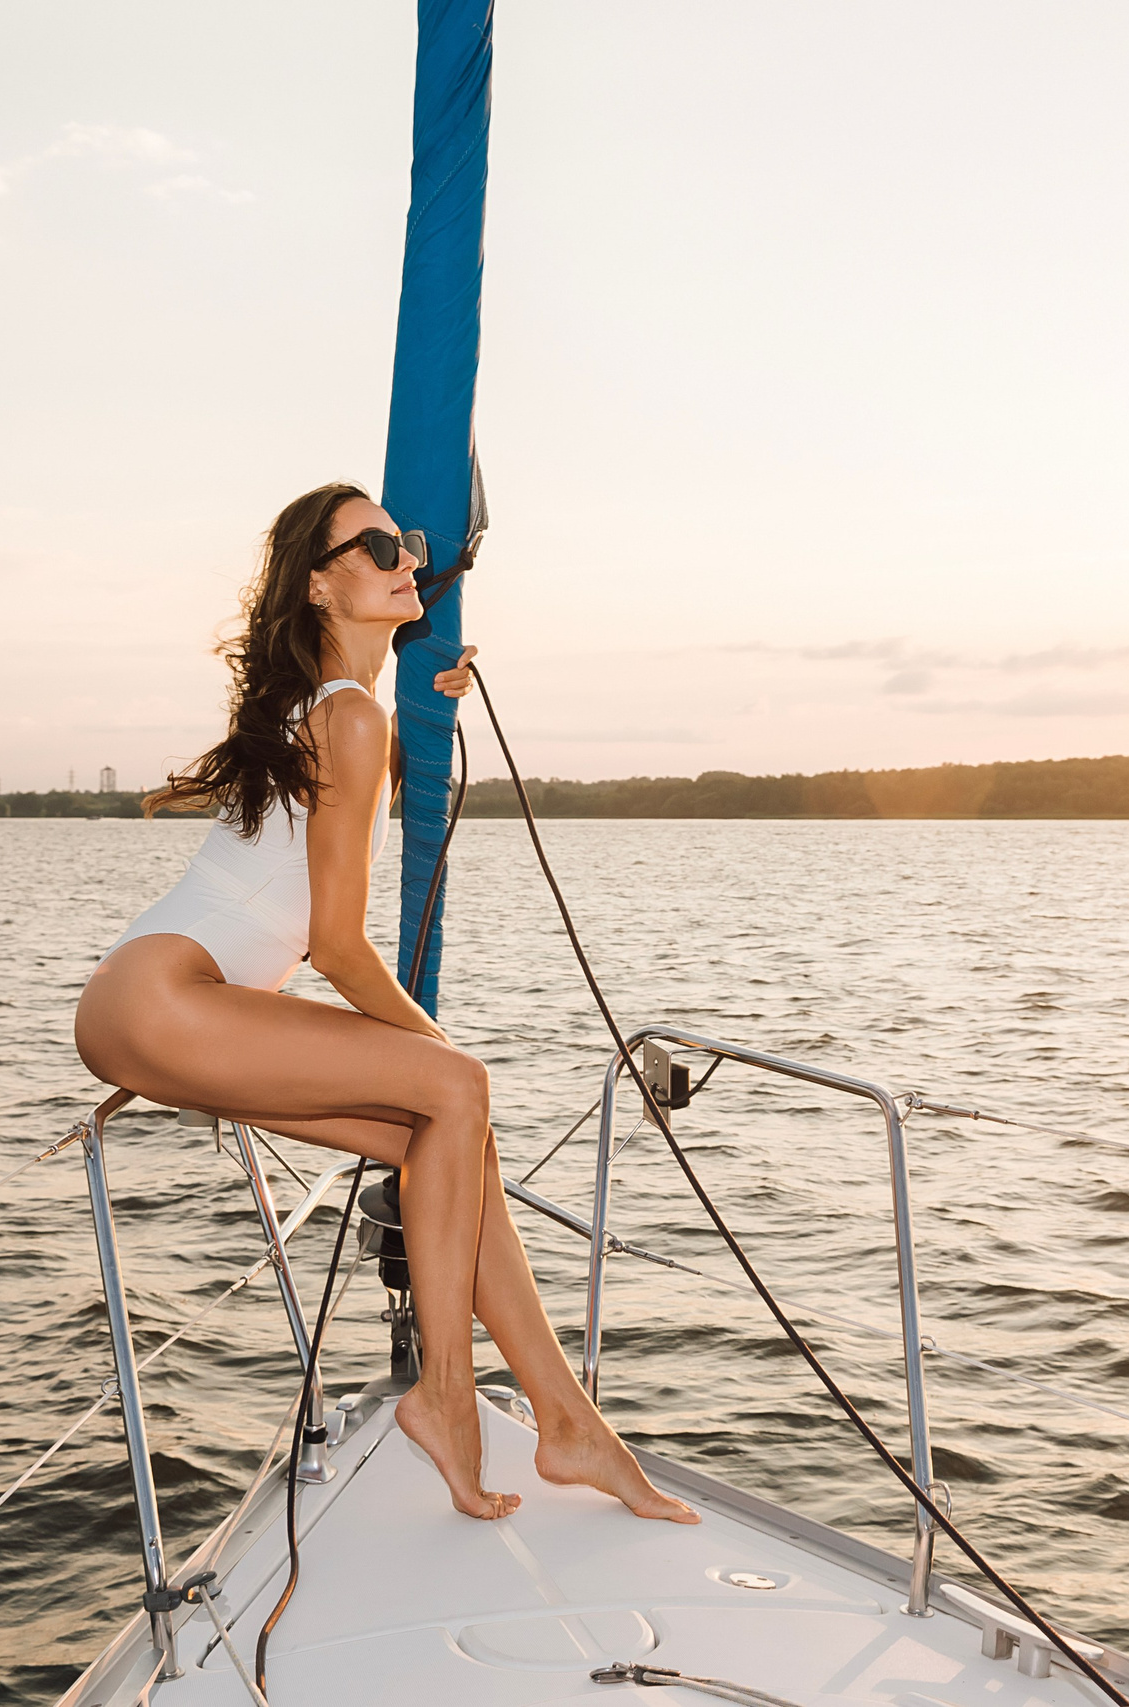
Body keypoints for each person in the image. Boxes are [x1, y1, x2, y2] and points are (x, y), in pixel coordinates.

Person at [74, 481, 696, 1526]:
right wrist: (446, 1054)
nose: (404, 554)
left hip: (146, 1006)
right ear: (318, 583)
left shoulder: (329, 711)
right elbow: (335, 946)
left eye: (403, 540)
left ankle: (568, 1422)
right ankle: (446, 1401)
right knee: (458, 1091)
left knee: (446, 1139)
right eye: (372, 545)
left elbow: (330, 778)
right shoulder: (346, 717)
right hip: (167, 999)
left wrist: (432, 701)